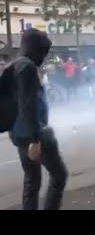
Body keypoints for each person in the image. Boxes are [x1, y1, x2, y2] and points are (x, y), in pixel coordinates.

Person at [8, 29, 68, 210]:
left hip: (19, 133)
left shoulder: (15, 65)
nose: (44, 57)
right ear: (36, 49)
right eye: (44, 52)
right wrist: (35, 139)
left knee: (32, 181)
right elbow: (28, 105)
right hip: (35, 134)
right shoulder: (27, 67)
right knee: (59, 175)